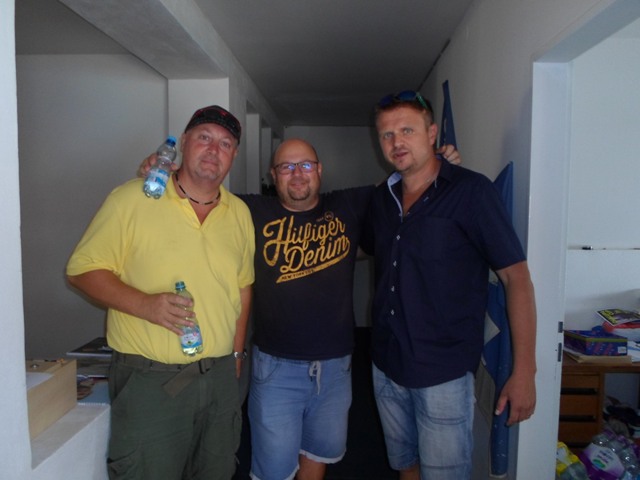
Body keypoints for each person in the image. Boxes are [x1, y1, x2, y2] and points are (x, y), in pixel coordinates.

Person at [139, 137, 460, 480]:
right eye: (286, 167)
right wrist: (165, 172)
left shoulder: (349, 204)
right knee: (273, 471)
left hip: (336, 368)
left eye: (305, 165)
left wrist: (436, 159)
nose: (297, 174)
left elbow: (406, 177)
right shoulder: (249, 210)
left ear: (319, 170)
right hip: (276, 369)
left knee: (317, 457)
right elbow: (199, 193)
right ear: (272, 175)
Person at [66, 105, 255, 480]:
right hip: (150, 382)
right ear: (183, 142)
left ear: (234, 155)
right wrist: (145, 305)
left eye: (225, 143)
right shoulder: (132, 198)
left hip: (219, 379)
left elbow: (242, 288)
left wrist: (236, 355)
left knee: (217, 471)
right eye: (204, 137)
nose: (213, 149)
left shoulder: (239, 213)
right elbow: (81, 270)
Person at [361, 90, 537, 480]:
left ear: (432, 133)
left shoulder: (472, 192)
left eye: (407, 130)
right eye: (387, 134)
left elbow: (517, 278)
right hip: (386, 364)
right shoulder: (381, 200)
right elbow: (365, 248)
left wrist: (525, 370)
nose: (396, 142)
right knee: (405, 464)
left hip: (443, 374)